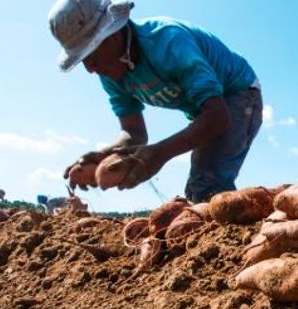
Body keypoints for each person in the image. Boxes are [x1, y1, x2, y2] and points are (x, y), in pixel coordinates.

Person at [48, 0, 263, 203]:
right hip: (207, 111)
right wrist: (106, 154)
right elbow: (134, 133)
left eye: (90, 56)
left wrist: (159, 154)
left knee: (207, 185)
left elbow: (217, 117)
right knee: (201, 190)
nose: (90, 69)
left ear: (109, 37)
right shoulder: (112, 73)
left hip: (239, 93)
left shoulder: (168, 41)